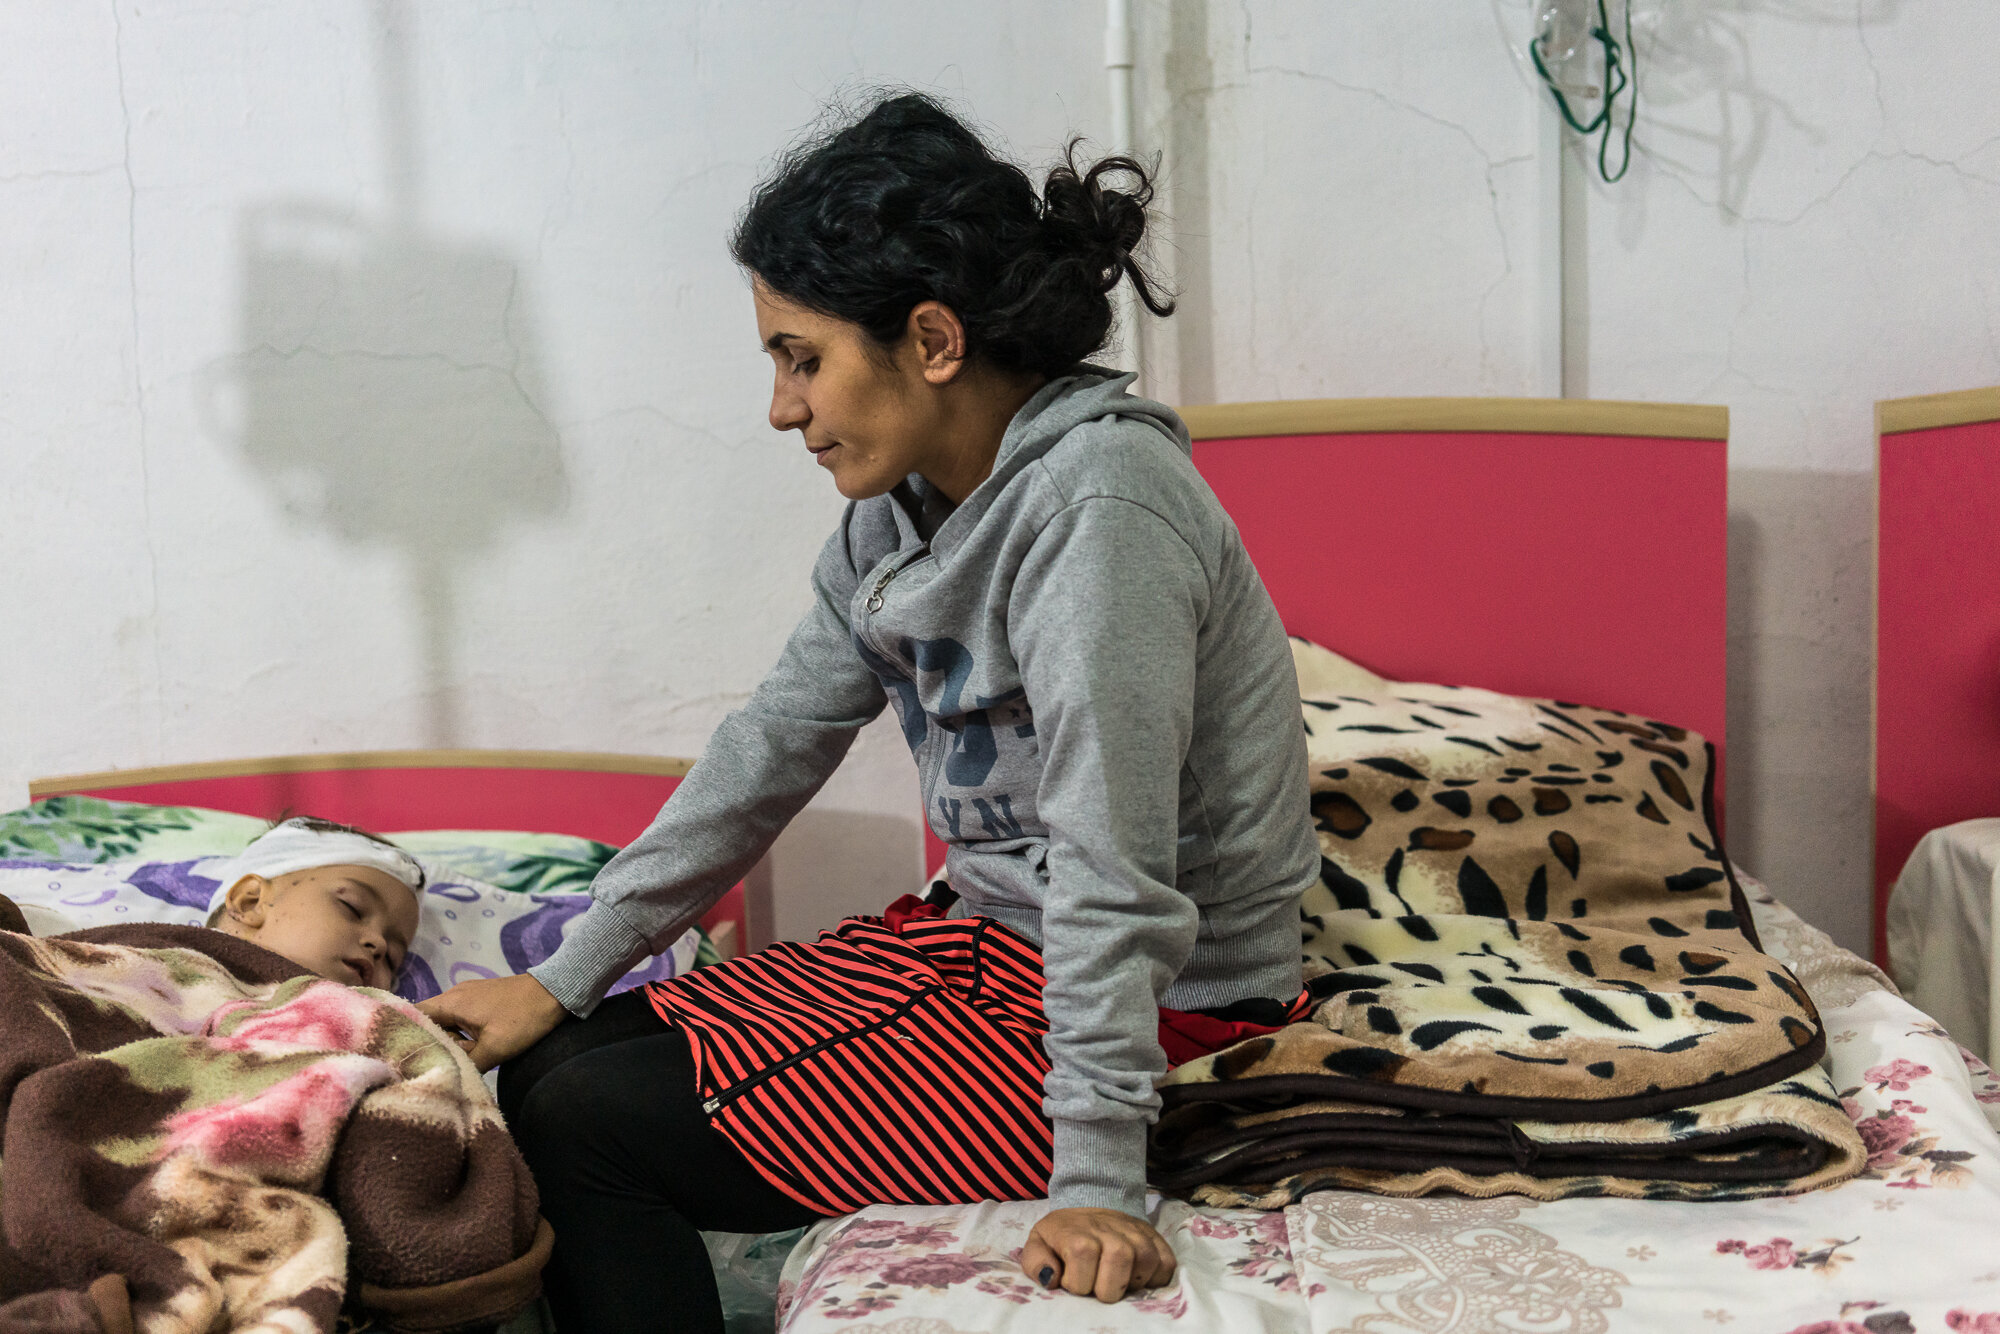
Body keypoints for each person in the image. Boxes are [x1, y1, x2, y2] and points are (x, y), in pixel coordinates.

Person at [417, 91, 1318, 1330]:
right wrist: (566, 971)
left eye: (803, 359)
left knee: (588, 1127)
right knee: (558, 1058)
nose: (783, 408)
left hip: (1166, 1012)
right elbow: (768, 745)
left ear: (934, 339)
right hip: (988, 944)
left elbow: (1113, 859)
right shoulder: (896, 518)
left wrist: (1100, 1174)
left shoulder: (1100, 512)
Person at [203, 815, 422, 992]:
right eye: (351, 907)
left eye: (393, 959)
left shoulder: (381, 1028)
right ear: (249, 901)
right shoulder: (173, 971)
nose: (379, 944)